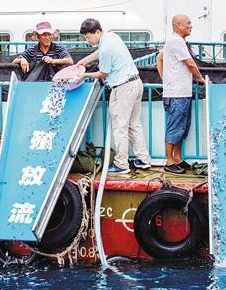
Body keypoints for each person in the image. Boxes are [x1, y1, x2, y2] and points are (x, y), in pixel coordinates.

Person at [76, 18, 152, 174]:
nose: (87, 40)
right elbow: (100, 51)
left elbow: (102, 73)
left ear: (97, 32)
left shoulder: (105, 49)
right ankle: (143, 159)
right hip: (136, 83)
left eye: (89, 36)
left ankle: (121, 164)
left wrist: (83, 75)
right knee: (134, 124)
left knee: (120, 127)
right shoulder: (111, 37)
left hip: (123, 88)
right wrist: (85, 60)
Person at [155, 14, 205, 174]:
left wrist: (165, 78)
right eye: (188, 23)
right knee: (175, 127)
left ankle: (178, 158)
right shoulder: (176, 41)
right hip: (176, 93)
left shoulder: (175, 41)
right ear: (178, 25)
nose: (191, 26)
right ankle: (169, 161)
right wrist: (200, 78)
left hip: (181, 92)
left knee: (182, 128)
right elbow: (190, 63)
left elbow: (159, 58)